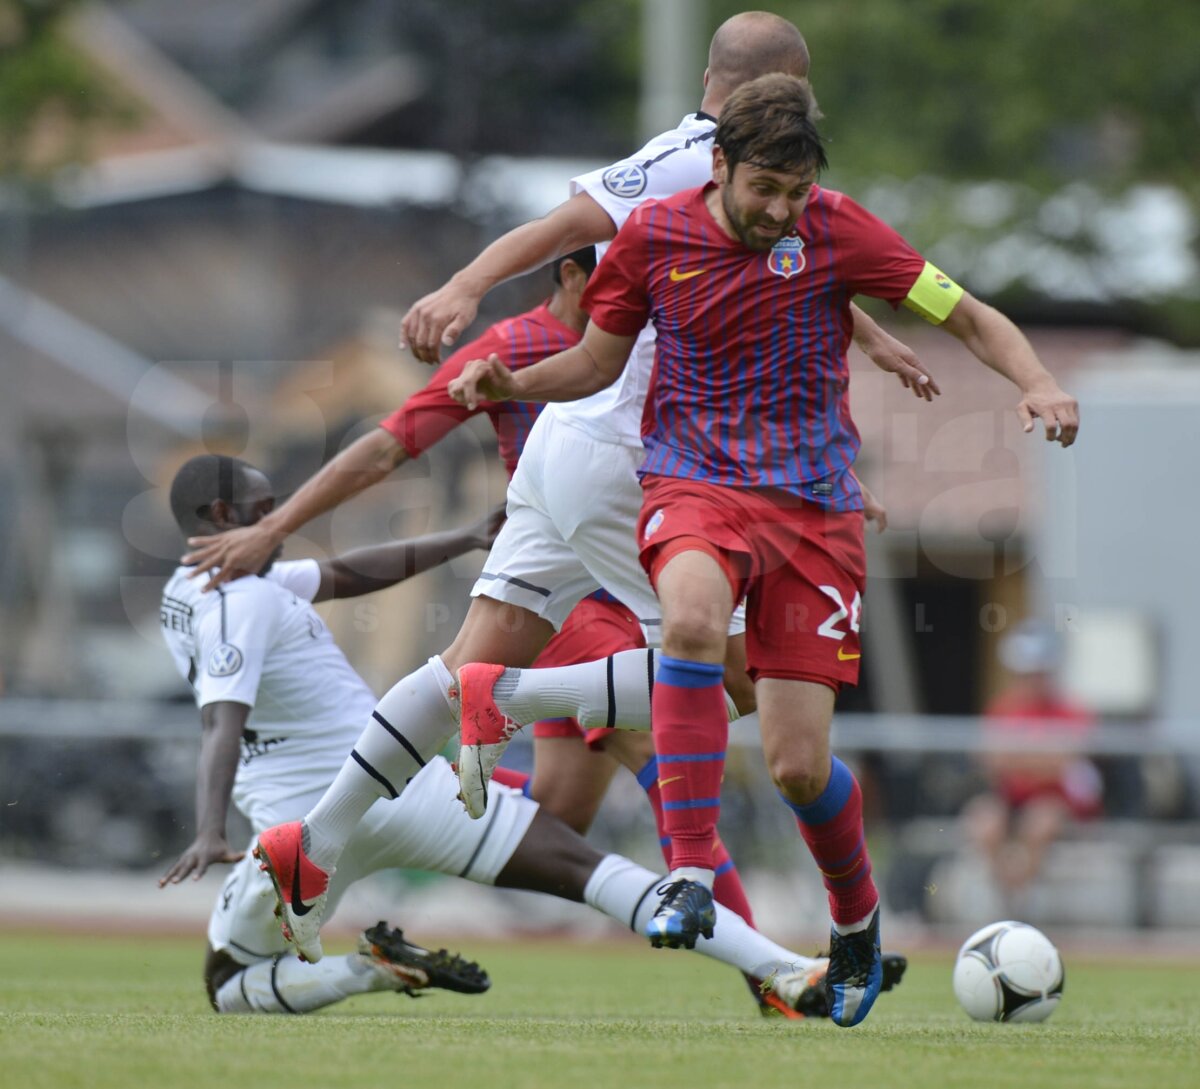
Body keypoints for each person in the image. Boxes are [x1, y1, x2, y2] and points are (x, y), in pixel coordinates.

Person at [228, 10, 923, 985]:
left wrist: (856, 378)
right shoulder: (697, 163)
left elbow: (795, 288)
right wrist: (464, 286)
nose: (804, 113)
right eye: (798, 91)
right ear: (766, 89)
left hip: (562, 463)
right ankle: (778, 967)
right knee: (723, 686)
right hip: (630, 464)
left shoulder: (742, 187)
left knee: (537, 764)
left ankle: (320, 842)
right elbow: (565, 235)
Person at [445, 73, 1080, 1028]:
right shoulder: (654, 236)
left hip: (815, 514)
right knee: (692, 618)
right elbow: (596, 363)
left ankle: (856, 917)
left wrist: (1036, 379)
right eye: (763, 191)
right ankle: (692, 871)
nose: (780, 211)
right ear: (720, 165)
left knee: (793, 764)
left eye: (795, 192)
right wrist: (512, 378)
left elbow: (968, 313)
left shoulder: (837, 230)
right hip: (694, 486)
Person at [170, 244, 770, 1005]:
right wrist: (280, 522)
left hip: (622, 572)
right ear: (574, 275)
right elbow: (391, 443)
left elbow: (346, 574)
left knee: (560, 811)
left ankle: (413, 774)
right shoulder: (522, 344)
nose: (636, 294)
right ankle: (770, 972)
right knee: (676, 737)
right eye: (619, 279)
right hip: (569, 593)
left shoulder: (667, 320)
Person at [157, 453, 906, 1016]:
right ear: (224, 516)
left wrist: (462, 538)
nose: (279, 516)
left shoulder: (197, 593)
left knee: (227, 987)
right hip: (401, 790)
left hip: (304, 826)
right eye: (266, 506)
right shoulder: (241, 602)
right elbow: (222, 720)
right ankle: (780, 969)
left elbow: (345, 573)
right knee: (599, 870)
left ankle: (365, 968)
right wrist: (204, 827)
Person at [962, 620, 1101, 910]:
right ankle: (1005, 898)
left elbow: (1064, 762)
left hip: (1056, 801)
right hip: (1011, 798)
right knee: (983, 820)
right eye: (1026, 674)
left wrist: (1021, 758)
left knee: (1040, 822)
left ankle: (1023, 903)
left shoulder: (1071, 709)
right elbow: (991, 759)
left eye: (1038, 673)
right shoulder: (1004, 707)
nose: (1032, 680)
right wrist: (1038, 758)